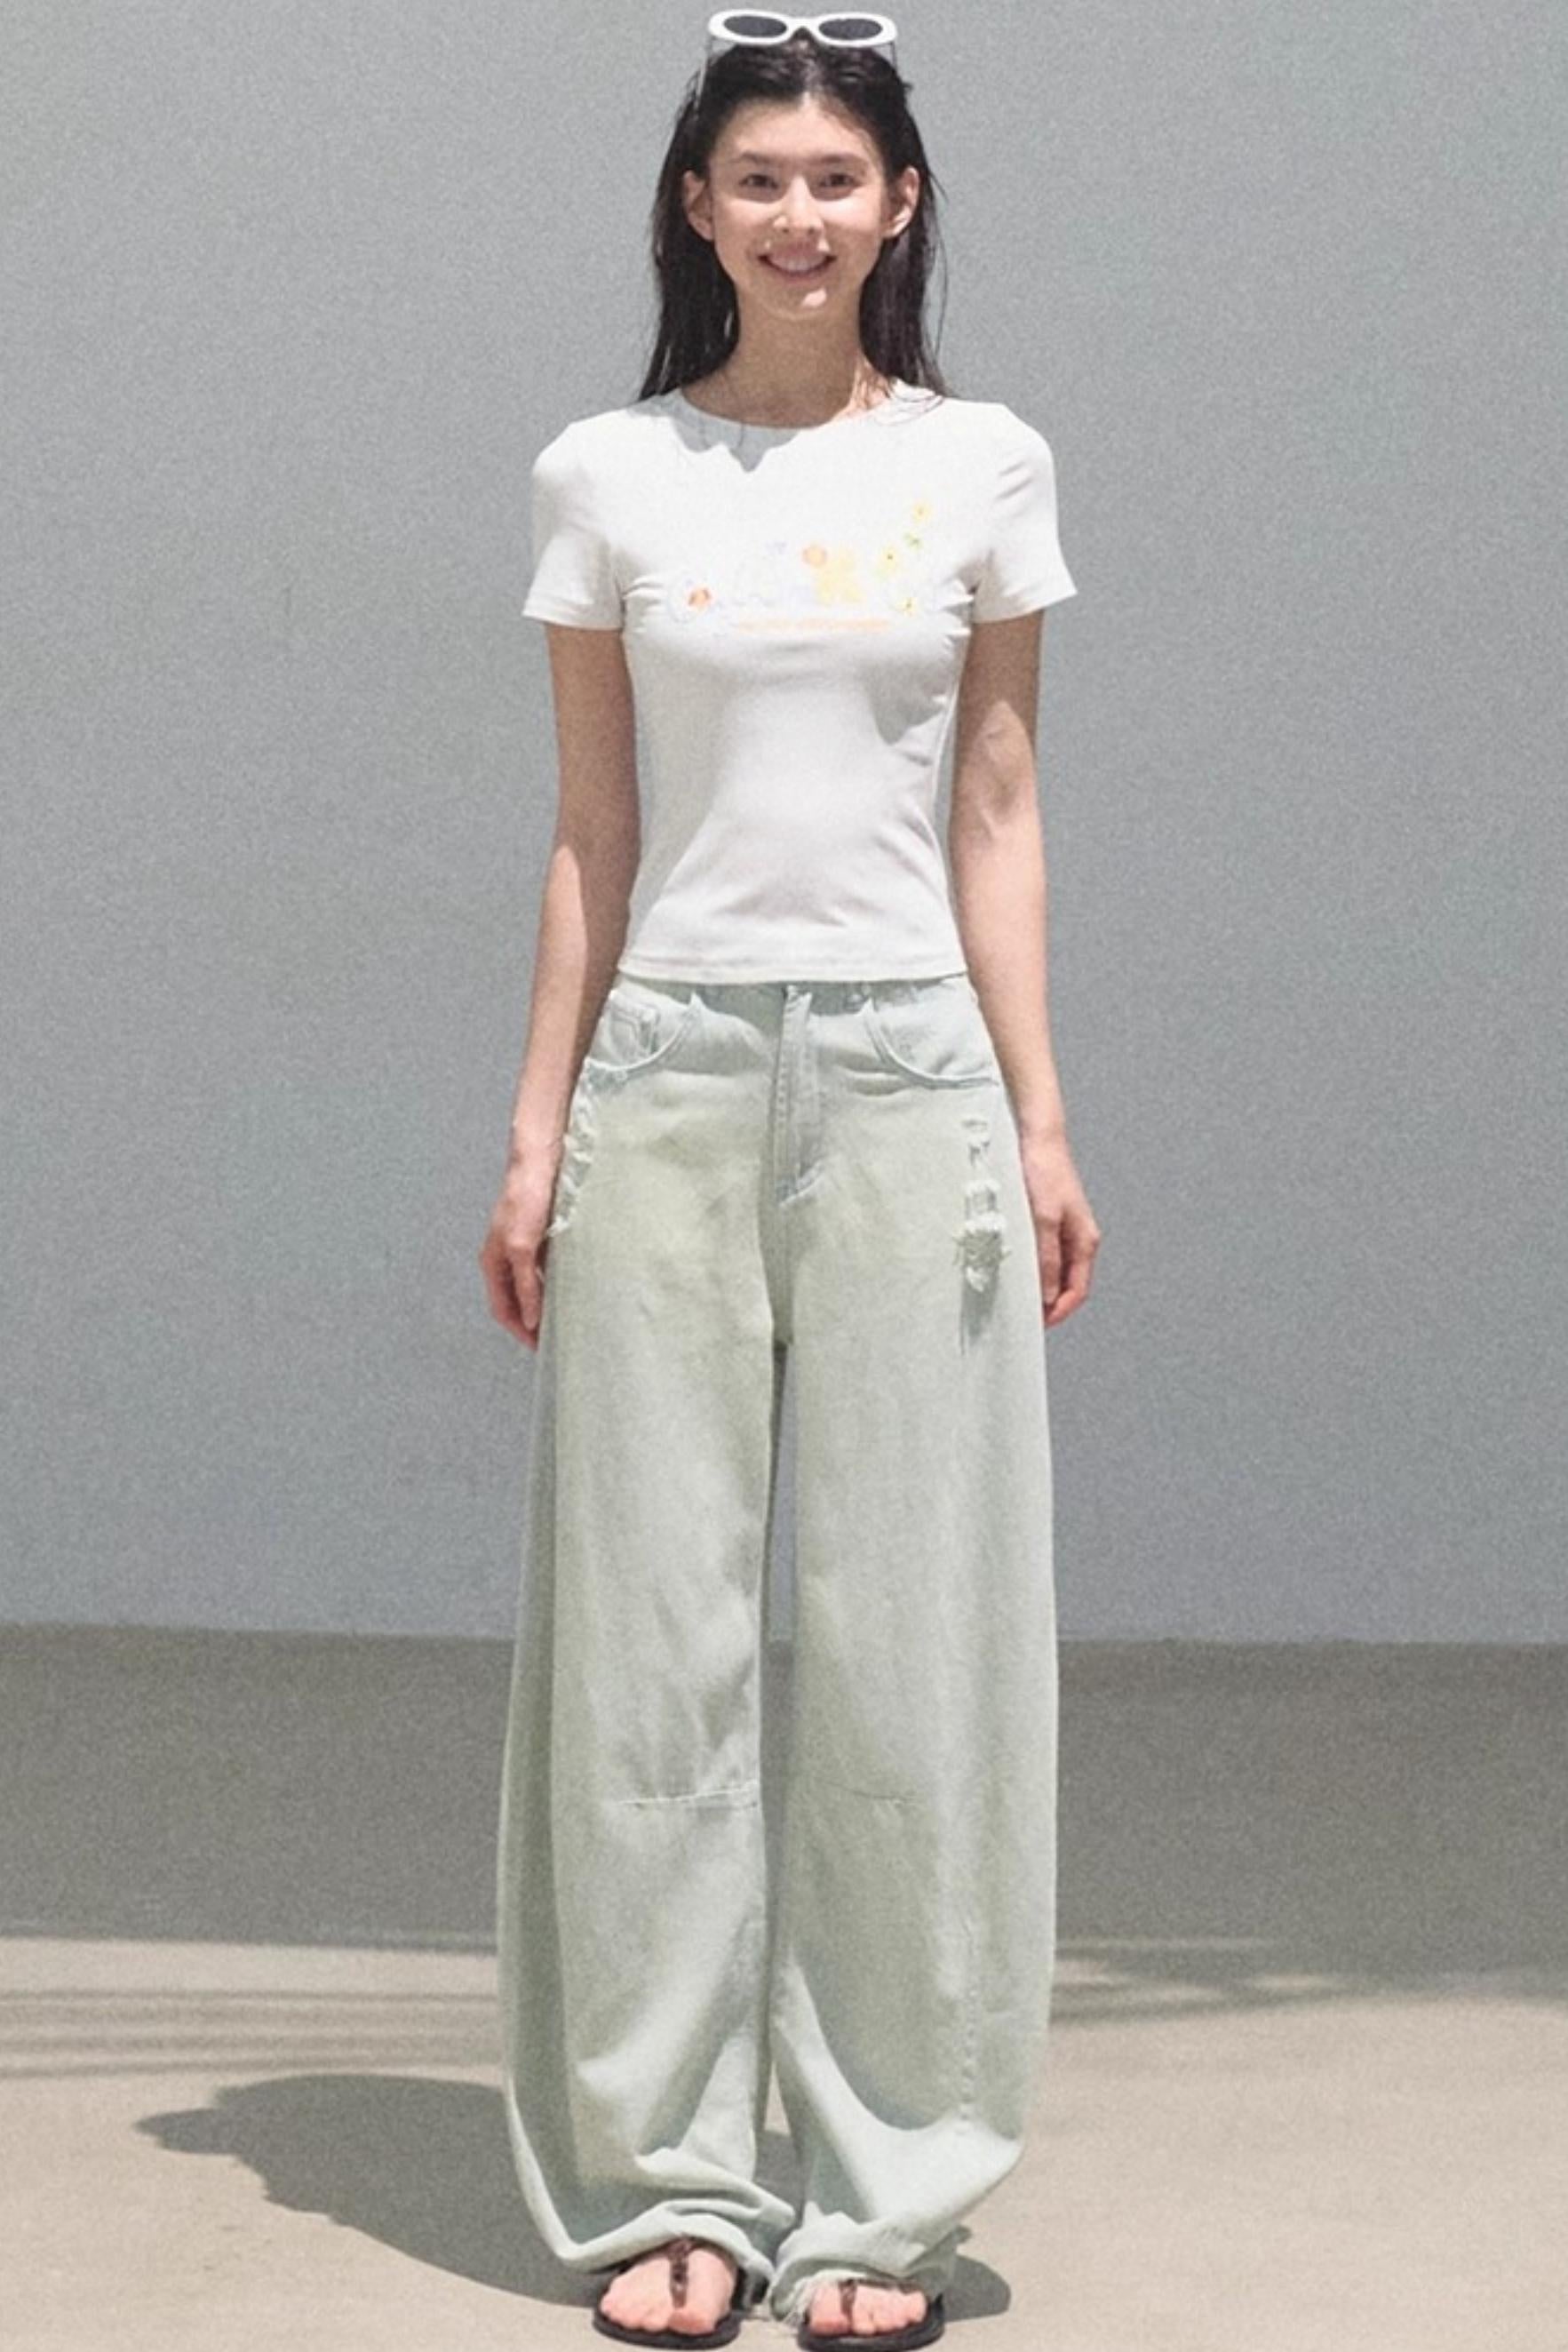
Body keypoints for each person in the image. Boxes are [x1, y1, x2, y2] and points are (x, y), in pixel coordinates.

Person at [482, 12, 1102, 2348]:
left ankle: (881, 2202)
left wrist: (1038, 1114)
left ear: (899, 203)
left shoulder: (984, 464)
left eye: (839, 178)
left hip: (911, 1079)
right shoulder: (609, 474)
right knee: (648, 1657)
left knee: (917, 1647)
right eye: (760, 179)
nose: (801, 214)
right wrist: (535, 1130)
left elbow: (998, 809)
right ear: (699, 208)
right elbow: (592, 832)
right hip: (665, 1078)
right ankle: (667, 2183)